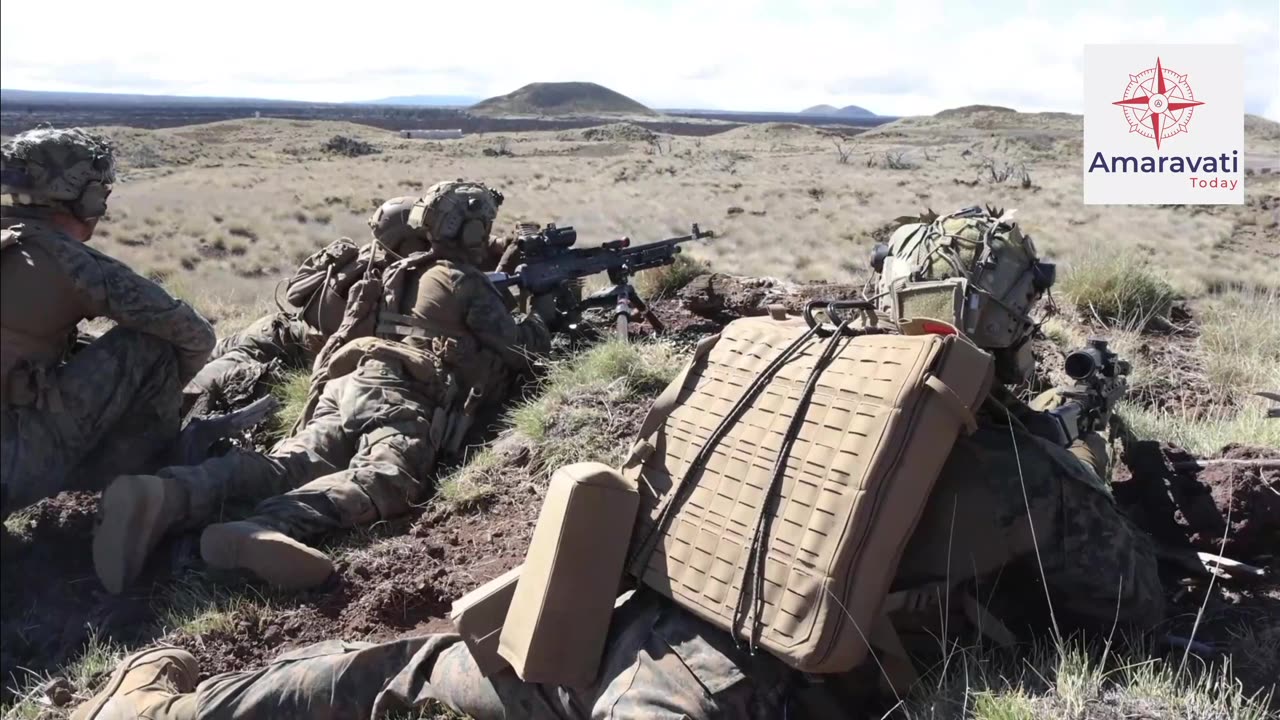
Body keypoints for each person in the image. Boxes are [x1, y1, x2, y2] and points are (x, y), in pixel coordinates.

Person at [73, 206, 1165, 720]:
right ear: (1017, 321)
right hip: (739, 693)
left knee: (393, 675)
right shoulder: (1014, 465)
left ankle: (164, 701)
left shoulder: (767, 367)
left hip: (594, 622)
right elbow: (1125, 611)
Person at [91, 181, 554, 594]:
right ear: (472, 231)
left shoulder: (400, 268)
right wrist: (544, 310)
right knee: (390, 476)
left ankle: (169, 495)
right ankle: (264, 528)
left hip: (350, 380)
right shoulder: (467, 284)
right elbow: (522, 350)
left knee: (290, 463)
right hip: (403, 395)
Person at [0, 127, 216, 520]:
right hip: (12, 464)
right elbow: (195, 335)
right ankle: (124, 492)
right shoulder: (71, 263)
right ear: (87, 198)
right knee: (151, 346)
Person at [182, 196, 523, 417]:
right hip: (280, 345)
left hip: (274, 328)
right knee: (193, 389)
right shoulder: (386, 285)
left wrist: (503, 248)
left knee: (195, 361)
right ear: (412, 240)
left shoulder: (372, 258)